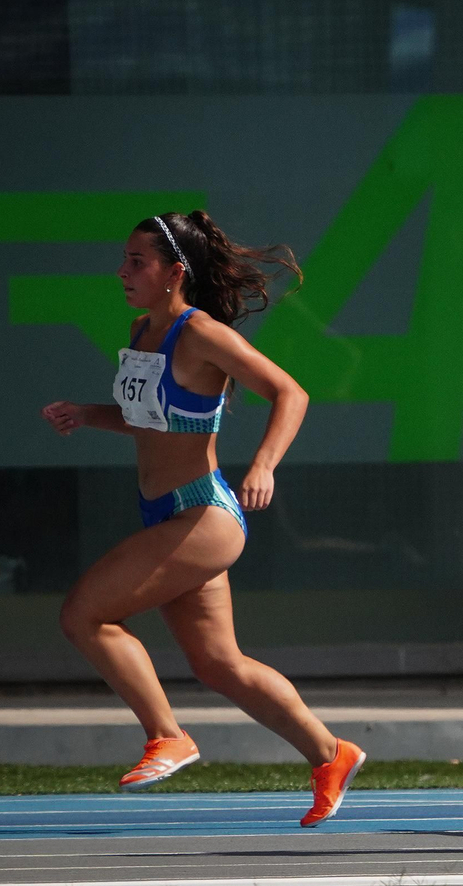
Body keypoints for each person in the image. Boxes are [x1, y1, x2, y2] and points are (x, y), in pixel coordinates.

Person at [41, 211, 365, 825]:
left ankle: (168, 735)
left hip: (204, 515)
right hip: (166, 513)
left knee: (84, 614)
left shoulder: (202, 334)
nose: (123, 271)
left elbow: (290, 393)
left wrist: (264, 464)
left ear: (174, 272)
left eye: (138, 261)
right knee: (219, 664)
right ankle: (331, 753)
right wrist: (87, 414)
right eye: (125, 259)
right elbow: (147, 419)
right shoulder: (142, 332)